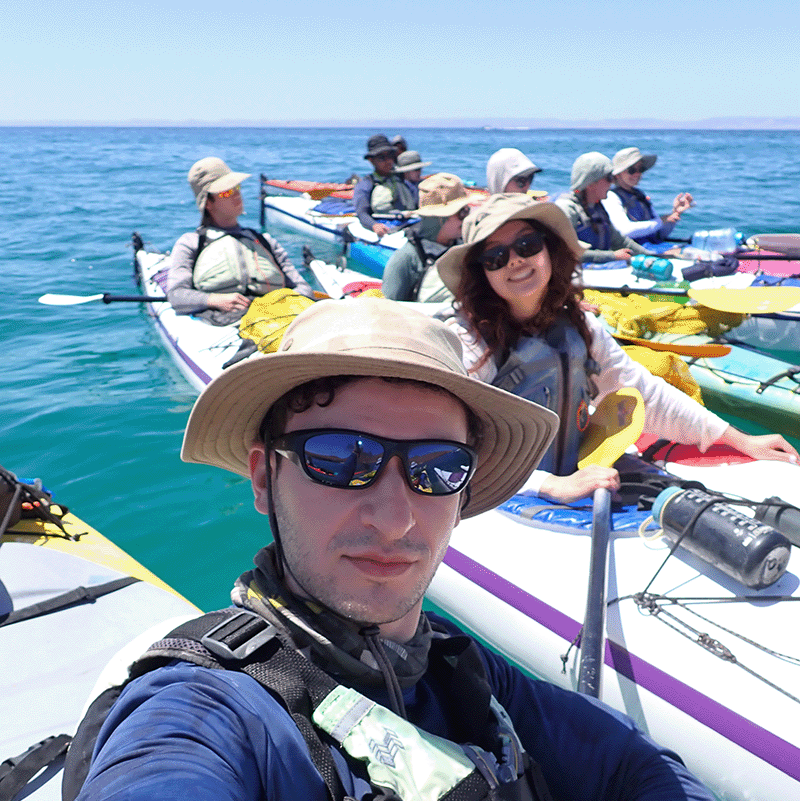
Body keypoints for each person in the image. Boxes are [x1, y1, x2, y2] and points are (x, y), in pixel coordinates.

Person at [76, 297, 718, 801]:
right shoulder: (206, 709)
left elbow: (635, 764)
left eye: (437, 468)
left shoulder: (459, 669)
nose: (394, 519)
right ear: (264, 478)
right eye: (338, 459)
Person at [435, 193, 799, 503]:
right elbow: (451, 452)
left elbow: (640, 391)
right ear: (481, 272)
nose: (515, 260)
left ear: (550, 250)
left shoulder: (579, 327)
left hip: (576, 477)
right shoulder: (469, 344)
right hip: (508, 495)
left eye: (527, 245)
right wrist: (550, 485)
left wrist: (740, 439)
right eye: (495, 257)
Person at [166, 157, 312, 326]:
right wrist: (213, 300)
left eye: (236, 187)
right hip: (224, 323)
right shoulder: (191, 243)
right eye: (226, 192)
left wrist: (278, 306)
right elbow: (176, 295)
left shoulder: (265, 241)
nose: (236, 194)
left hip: (276, 318)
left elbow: (303, 289)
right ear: (208, 203)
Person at [382, 173, 473, 303]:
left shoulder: (465, 250)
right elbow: (389, 312)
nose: (466, 218)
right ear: (440, 218)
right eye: (462, 212)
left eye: (467, 210)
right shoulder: (405, 260)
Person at [555, 151, 655, 264]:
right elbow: (564, 251)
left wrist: (653, 255)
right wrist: (612, 256)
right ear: (591, 183)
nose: (612, 182)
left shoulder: (597, 208)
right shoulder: (567, 208)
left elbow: (620, 241)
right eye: (608, 177)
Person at [602, 147, 694, 245]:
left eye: (640, 169)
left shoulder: (640, 196)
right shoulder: (611, 197)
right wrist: (660, 221)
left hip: (652, 248)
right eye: (631, 170)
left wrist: (675, 214)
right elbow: (624, 231)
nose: (637, 174)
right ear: (618, 174)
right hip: (631, 253)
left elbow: (659, 235)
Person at [353, 135, 416, 238]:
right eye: (382, 158)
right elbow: (362, 213)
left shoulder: (400, 180)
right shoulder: (366, 184)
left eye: (391, 156)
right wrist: (374, 226)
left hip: (410, 223)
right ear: (371, 160)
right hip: (389, 228)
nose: (388, 161)